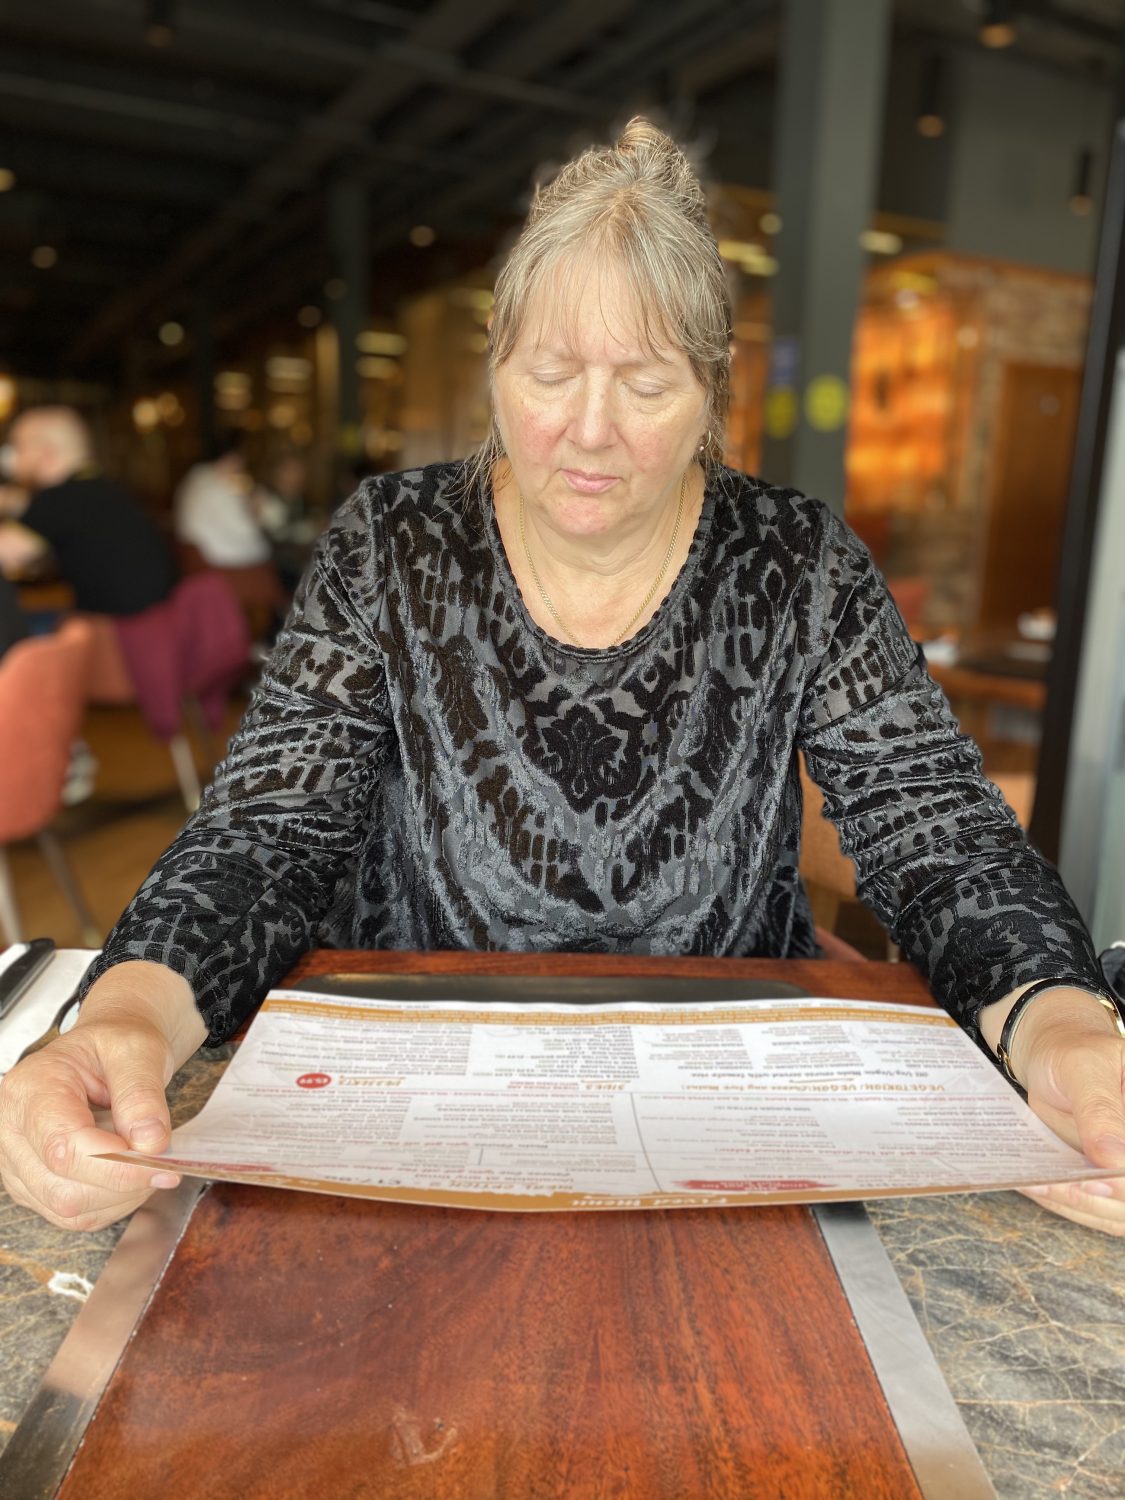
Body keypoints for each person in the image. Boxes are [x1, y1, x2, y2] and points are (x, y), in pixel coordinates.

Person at [2, 119, 1124, 1238]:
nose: (590, 435)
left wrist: (1068, 1030)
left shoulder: (796, 560)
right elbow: (269, 831)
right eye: (550, 374)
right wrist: (129, 1016)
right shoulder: (394, 544)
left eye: (647, 387)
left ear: (713, 389)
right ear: (497, 360)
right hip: (417, 1109)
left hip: (727, 1128)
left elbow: (935, 829)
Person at [0, 407, 174, 615]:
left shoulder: (59, 498)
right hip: (160, 624)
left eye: (17, 448)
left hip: (119, 635)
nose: (10, 460)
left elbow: (6, 554)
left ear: (45, 452)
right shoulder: (101, 489)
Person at [174, 434, 272, 568]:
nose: (243, 466)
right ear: (232, 458)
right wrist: (256, 508)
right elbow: (246, 530)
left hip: (199, 559)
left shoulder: (195, 478)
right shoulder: (217, 488)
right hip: (221, 561)